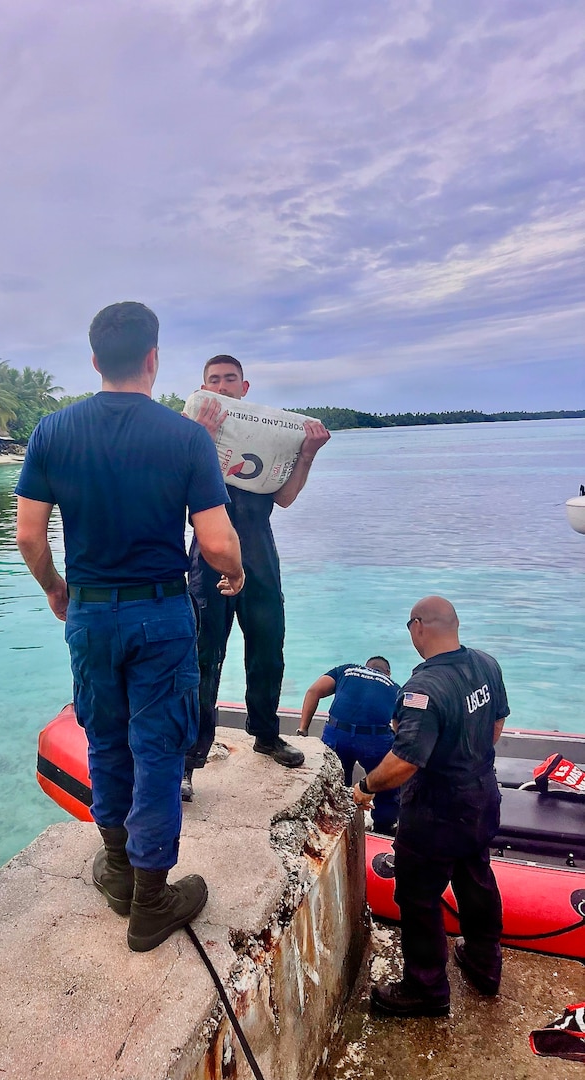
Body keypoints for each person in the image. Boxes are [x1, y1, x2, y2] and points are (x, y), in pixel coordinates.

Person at [15, 302, 244, 952]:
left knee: (106, 740)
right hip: (160, 613)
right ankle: (150, 900)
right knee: (159, 750)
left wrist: (56, 588)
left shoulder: (53, 431)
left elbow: (29, 536)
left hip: (89, 613)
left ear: (95, 360)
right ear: (153, 358)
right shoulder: (185, 438)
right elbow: (216, 542)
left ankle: (116, 869)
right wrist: (235, 572)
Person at [181, 355, 331, 802]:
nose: (222, 387)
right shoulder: (189, 433)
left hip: (260, 552)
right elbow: (176, 493)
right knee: (203, 657)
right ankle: (188, 759)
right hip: (209, 551)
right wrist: (201, 438)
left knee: (268, 649)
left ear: (244, 388)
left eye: (230, 380)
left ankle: (265, 734)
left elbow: (284, 497)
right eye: (213, 380)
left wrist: (308, 453)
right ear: (203, 387)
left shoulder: (267, 437)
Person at [352, 596, 509, 1017]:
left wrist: (366, 786)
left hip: (437, 811)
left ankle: (426, 988)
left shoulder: (423, 689)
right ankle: (485, 963)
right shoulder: (486, 664)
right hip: (482, 794)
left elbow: (405, 761)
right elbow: (496, 724)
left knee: (418, 896)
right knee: (476, 877)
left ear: (418, 626)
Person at [297, 656, 400, 835]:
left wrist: (303, 730)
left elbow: (314, 691)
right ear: (388, 673)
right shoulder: (395, 687)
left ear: (366, 666)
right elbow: (399, 726)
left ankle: (335, 825)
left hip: (338, 733)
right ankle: (384, 828)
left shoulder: (347, 670)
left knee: (335, 783)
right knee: (386, 784)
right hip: (374, 739)